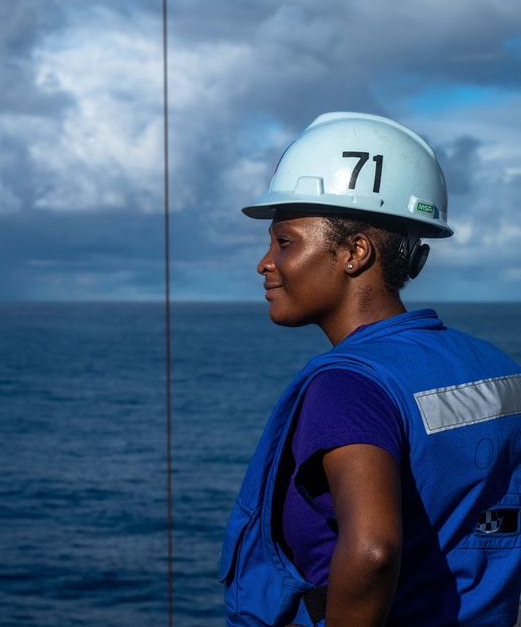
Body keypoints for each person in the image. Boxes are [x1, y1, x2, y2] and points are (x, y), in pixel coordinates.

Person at [218, 112, 521, 626]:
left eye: (284, 241)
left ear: (355, 252)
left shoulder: (348, 385)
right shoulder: (495, 366)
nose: (265, 263)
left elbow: (373, 551)